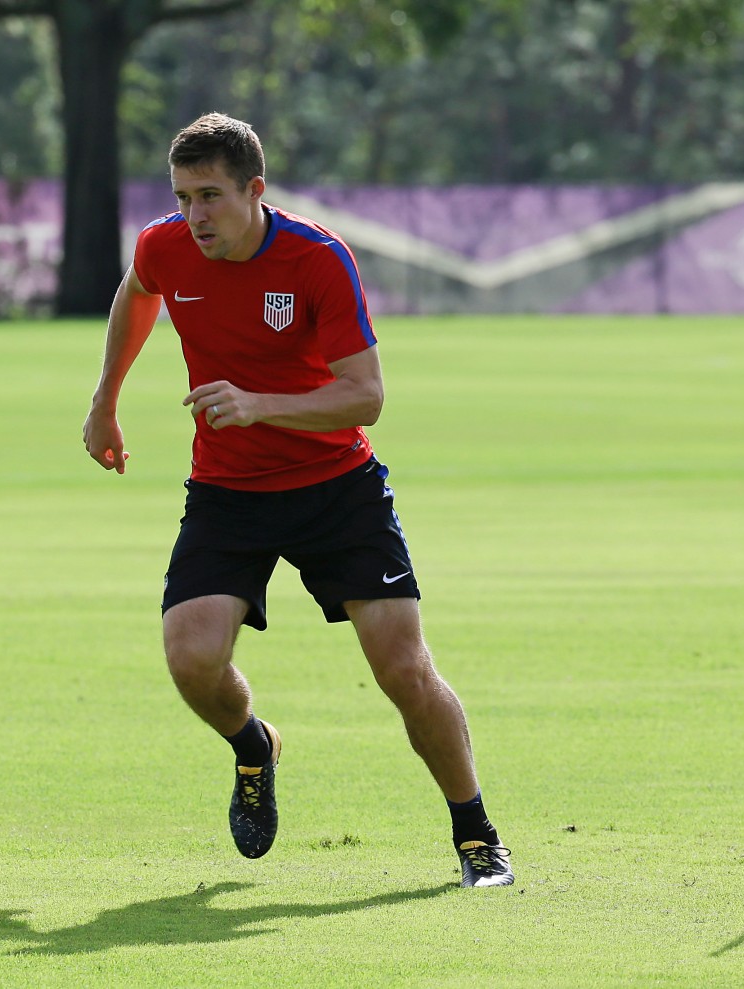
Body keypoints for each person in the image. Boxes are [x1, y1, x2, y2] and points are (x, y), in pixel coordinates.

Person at [82, 113, 513, 887]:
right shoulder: (165, 245)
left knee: (404, 670)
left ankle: (476, 835)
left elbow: (366, 396)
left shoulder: (317, 259)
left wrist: (259, 404)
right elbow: (138, 290)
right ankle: (254, 745)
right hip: (228, 491)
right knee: (191, 660)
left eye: (210, 196)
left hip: (336, 489)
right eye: (182, 197)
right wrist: (105, 399)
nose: (194, 215)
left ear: (255, 189)